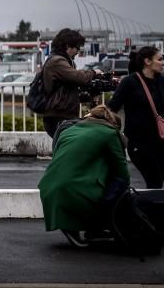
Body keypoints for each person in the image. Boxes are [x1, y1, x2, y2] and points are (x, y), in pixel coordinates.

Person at [38, 105, 130, 248]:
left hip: (48, 187)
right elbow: (122, 172)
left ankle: (88, 228)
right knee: (119, 183)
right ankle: (99, 226)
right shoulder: (109, 133)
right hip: (72, 190)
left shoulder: (68, 130)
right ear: (113, 124)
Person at [107, 46, 164, 188]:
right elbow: (112, 107)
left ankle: (150, 208)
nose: (163, 63)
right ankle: (151, 209)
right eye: (159, 59)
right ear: (147, 61)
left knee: (157, 182)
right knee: (154, 179)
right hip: (139, 142)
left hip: (162, 142)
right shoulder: (130, 82)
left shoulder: (163, 82)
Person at [38, 29, 99, 138]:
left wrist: (85, 96)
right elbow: (80, 78)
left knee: (67, 148)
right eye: (77, 47)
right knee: (65, 148)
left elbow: (64, 91)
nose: (78, 51)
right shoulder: (57, 61)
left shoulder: (65, 61)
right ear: (67, 46)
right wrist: (94, 73)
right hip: (58, 117)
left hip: (62, 115)